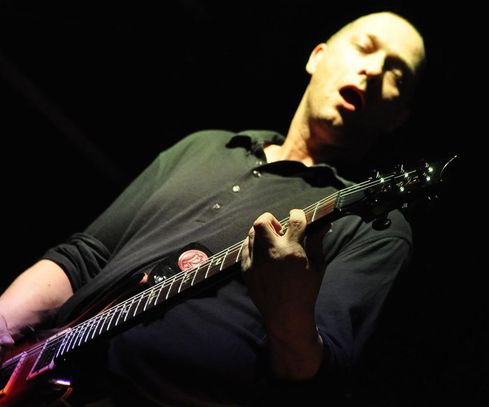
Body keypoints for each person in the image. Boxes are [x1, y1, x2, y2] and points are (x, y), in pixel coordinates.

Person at [0, 10, 426, 406]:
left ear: (398, 118)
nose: (373, 71)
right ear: (317, 57)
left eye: (396, 73)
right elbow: (84, 257)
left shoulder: (373, 225)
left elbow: (319, 381)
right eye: (364, 48)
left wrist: (289, 310)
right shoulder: (204, 146)